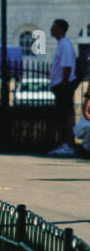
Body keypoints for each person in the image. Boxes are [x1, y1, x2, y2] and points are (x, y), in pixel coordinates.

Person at [48, 18, 78, 156]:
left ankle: (67, 144)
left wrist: (64, 85)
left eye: (54, 27)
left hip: (63, 85)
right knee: (63, 116)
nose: (51, 29)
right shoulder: (62, 44)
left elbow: (67, 66)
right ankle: (65, 144)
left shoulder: (65, 44)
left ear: (60, 29)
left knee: (65, 116)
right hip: (60, 84)